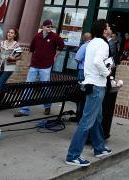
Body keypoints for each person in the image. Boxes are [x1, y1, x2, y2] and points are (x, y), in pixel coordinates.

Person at [65, 20, 113, 167]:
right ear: (104, 30)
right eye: (108, 26)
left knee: (97, 118)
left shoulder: (91, 43)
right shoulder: (103, 44)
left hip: (90, 83)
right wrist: (107, 72)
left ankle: (99, 148)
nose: (110, 28)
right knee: (87, 121)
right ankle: (72, 155)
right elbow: (98, 62)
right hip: (97, 86)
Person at [14, 19, 64, 117]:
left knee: (45, 87)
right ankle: (24, 109)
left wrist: (55, 56)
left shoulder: (55, 37)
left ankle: (47, 106)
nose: (50, 28)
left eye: (51, 27)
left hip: (46, 65)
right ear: (43, 27)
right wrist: (29, 61)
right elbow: (31, 49)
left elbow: (61, 46)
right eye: (48, 26)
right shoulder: (37, 37)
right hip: (34, 64)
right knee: (28, 86)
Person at [0, 27, 22, 101]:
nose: (9, 34)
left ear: (15, 35)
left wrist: (13, 58)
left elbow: (20, 57)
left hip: (9, 67)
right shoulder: (2, 43)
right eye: (8, 32)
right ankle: (3, 97)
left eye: (12, 33)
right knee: (1, 84)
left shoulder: (16, 45)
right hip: (1, 66)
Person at [71, 32, 92, 122]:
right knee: (87, 94)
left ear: (84, 38)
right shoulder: (94, 46)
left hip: (82, 71)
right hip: (91, 72)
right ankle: (83, 116)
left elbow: (77, 58)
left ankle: (79, 115)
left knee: (80, 93)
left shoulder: (84, 46)